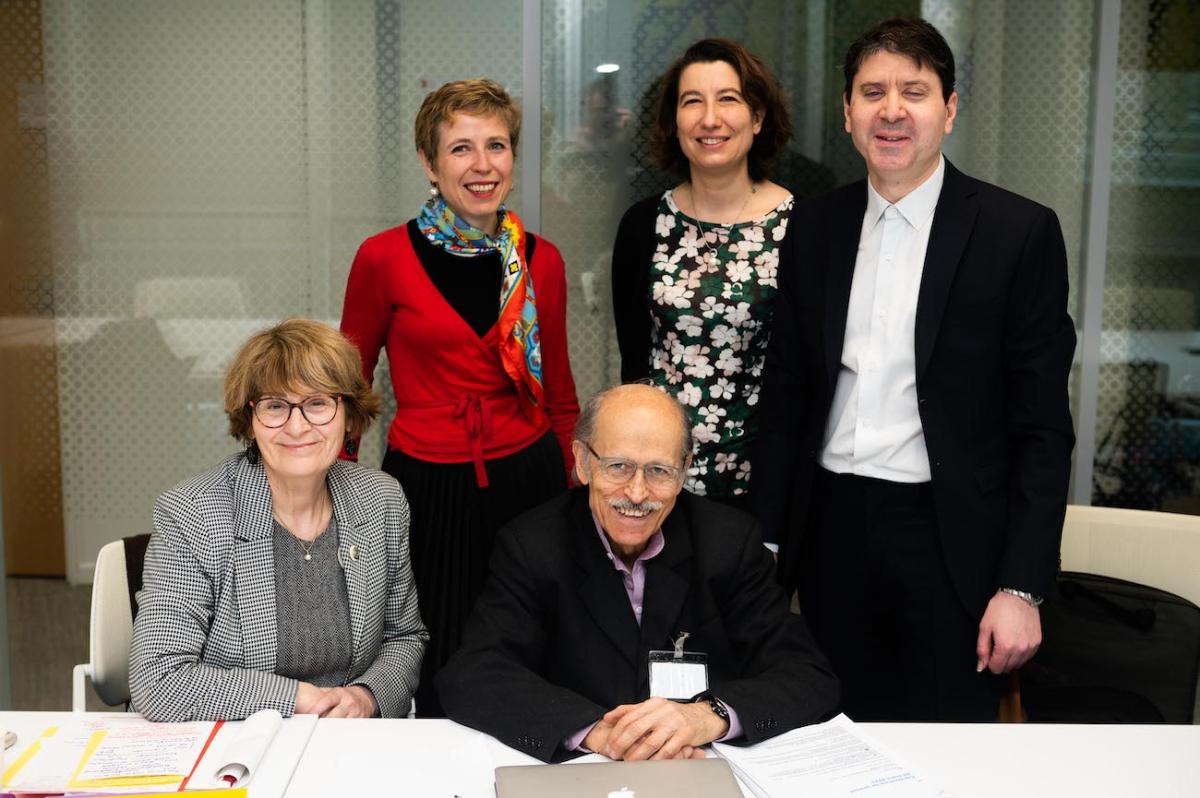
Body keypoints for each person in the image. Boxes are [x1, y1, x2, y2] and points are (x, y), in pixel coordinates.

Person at [755, 17, 1076, 721]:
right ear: (847, 113)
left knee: (946, 752)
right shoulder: (812, 227)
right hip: (831, 533)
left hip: (949, 541)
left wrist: (1021, 587)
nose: (892, 110)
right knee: (828, 737)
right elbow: (785, 397)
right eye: (872, 92)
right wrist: (768, 548)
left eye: (914, 91)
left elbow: (1042, 430)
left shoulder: (1017, 233)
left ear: (949, 109)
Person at [340, 79, 580, 716]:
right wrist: (335, 496)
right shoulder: (382, 258)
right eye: (461, 149)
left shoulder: (541, 262)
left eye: (496, 146)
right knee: (435, 660)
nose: (482, 165)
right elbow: (348, 388)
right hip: (424, 485)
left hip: (528, 481)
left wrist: (572, 500)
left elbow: (559, 393)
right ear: (429, 162)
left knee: (531, 652)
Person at [437, 384, 838, 762]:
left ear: (684, 470)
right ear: (581, 461)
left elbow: (807, 674)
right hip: (584, 772)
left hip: (700, 767)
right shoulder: (531, 545)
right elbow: (474, 674)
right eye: (618, 466)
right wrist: (596, 731)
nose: (637, 493)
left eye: (659, 471)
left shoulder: (728, 542)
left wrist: (707, 716)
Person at [130, 319, 427, 722]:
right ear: (249, 419)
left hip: (351, 743)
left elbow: (404, 637)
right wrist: (295, 700)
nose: (298, 426)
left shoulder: (380, 500)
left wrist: (366, 696)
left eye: (318, 403)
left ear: (348, 413)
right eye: (275, 406)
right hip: (238, 747)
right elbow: (158, 680)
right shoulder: (194, 513)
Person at [611, 38, 795, 515]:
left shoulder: (801, 228)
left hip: (764, 487)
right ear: (674, 123)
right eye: (692, 101)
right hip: (657, 484)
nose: (710, 119)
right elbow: (635, 364)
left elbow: (806, 374)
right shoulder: (642, 226)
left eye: (728, 99)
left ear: (757, 118)